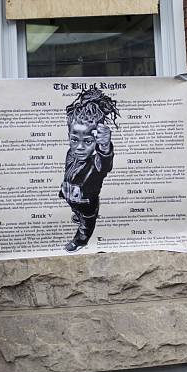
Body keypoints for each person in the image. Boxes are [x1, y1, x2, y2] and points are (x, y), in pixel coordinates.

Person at [59, 87, 119, 252]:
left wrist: (105, 146)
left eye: (87, 141)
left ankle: (81, 240)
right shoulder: (71, 153)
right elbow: (68, 172)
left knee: (87, 222)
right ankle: (78, 215)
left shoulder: (96, 163)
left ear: (96, 141)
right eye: (74, 139)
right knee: (76, 211)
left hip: (87, 203)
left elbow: (106, 162)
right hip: (72, 196)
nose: (79, 147)